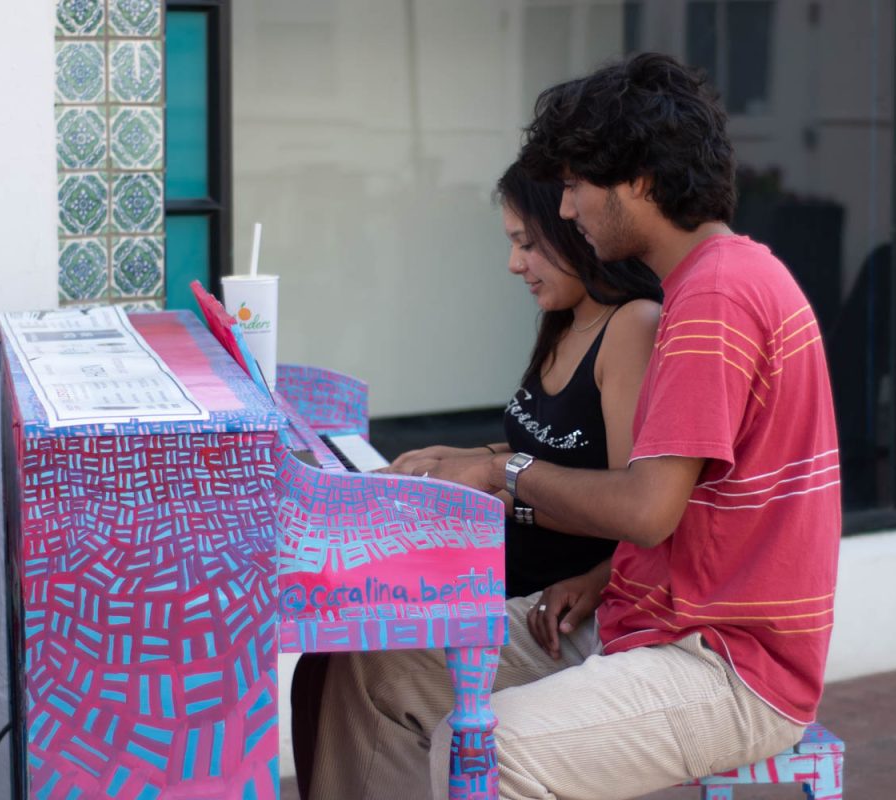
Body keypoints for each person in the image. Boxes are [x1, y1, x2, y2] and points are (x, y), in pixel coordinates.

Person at [310, 52, 841, 800]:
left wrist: (503, 472)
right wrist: (600, 577)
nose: (565, 210)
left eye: (576, 184)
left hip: (725, 666)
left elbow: (648, 510)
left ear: (642, 181)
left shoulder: (713, 300)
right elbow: (679, 509)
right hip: (645, 619)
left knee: (487, 756)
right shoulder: (712, 283)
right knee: (370, 667)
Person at [290, 161, 662, 798]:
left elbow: (630, 498)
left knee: (364, 661)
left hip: (554, 605)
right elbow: (556, 444)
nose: (515, 265)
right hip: (498, 572)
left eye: (526, 243)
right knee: (322, 660)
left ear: (571, 227)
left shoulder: (631, 325)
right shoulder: (566, 323)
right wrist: (461, 452)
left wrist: (597, 581)